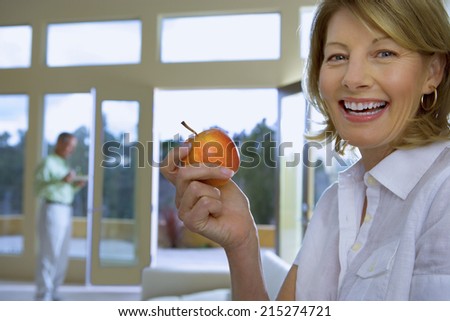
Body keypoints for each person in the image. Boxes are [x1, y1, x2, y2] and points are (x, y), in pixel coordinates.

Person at [161, 0, 450, 300]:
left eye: (384, 53)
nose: (353, 78)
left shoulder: (443, 194)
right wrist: (242, 242)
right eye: (338, 56)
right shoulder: (333, 206)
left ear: (433, 71)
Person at [34, 132, 86, 300]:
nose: (71, 150)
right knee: (50, 252)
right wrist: (61, 181)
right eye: (69, 146)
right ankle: (43, 292)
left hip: (65, 209)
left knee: (62, 252)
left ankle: (54, 289)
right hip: (52, 208)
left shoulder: (64, 164)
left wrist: (75, 185)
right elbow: (39, 189)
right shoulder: (48, 162)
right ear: (59, 143)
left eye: (73, 147)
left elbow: (64, 189)